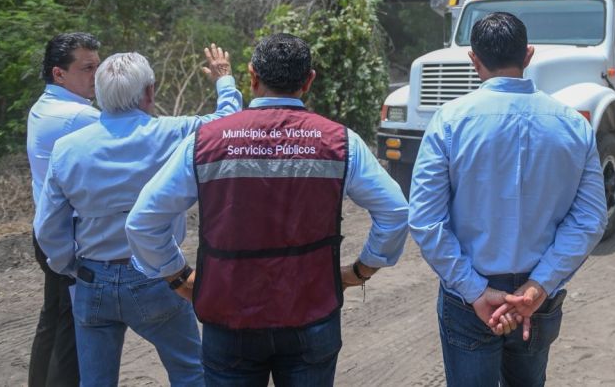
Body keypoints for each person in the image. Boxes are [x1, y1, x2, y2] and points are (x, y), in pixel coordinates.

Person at [126, 33, 409, 386]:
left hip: (229, 319)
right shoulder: (340, 142)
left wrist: (176, 275)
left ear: (252, 76)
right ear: (309, 81)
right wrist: (359, 271)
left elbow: (143, 222)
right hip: (312, 316)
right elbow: (395, 211)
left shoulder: (205, 141)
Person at [408, 12, 608, 387]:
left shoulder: (449, 121)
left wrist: (476, 291)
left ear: (474, 60)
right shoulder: (574, 124)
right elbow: (590, 219)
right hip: (538, 297)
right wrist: (537, 287)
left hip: (469, 298)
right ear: (528, 55)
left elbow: (426, 221)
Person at [35, 45, 241, 387]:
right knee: (191, 373)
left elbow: (47, 228)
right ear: (149, 92)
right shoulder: (173, 132)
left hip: (92, 279)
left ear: (99, 93)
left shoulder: (66, 149)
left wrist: (72, 268)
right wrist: (224, 79)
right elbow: (229, 124)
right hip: (157, 276)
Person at [26, 32, 102, 387]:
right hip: (67, 238)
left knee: (53, 321)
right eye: (87, 68)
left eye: (98, 67)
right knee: (72, 332)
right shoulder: (80, 116)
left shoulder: (42, 107)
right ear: (59, 74)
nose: (97, 76)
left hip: (46, 231)